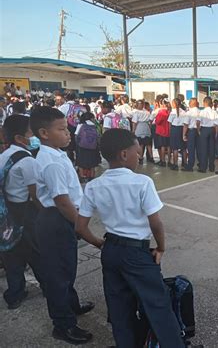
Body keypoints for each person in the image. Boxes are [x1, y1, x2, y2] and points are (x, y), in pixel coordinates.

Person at [75, 129, 185, 348]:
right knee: (158, 305)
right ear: (124, 154)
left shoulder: (94, 186)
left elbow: (80, 227)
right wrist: (161, 247)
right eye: (137, 151)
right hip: (136, 253)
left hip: (111, 251)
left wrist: (101, 244)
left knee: (119, 308)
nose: (140, 155)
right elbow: (155, 223)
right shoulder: (142, 183)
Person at [30, 106, 94, 344]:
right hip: (58, 219)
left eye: (67, 128)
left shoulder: (55, 154)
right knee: (58, 276)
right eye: (62, 129)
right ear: (44, 133)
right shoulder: (52, 162)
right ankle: (63, 325)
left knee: (66, 269)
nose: (68, 133)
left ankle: (72, 306)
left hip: (56, 217)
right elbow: (62, 201)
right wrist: (81, 227)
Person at [0, 115, 43, 310]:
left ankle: (15, 294)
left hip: (8, 210)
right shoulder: (27, 161)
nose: (33, 136)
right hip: (25, 211)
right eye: (30, 133)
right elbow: (35, 195)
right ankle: (48, 285)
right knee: (36, 252)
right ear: (19, 138)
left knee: (12, 254)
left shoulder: (4, 155)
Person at [75, 111, 101, 182]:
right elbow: (99, 136)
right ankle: (92, 176)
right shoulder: (95, 125)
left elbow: (76, 135)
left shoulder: (81, 124)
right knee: (92, 162)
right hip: (93, 146)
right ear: (91, 118)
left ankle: (82, 176)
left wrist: (78, 144)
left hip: (82, 146)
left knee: (80, 161)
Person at [197, 96, 217, 173]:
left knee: (203, 149)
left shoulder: (202, 112)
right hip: (212, 129)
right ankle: (211, 167)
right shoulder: (214, 112)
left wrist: (198, 130)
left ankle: (203, 167)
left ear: (205, 103)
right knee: (212, 149)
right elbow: (216, 124)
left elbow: (198, 122)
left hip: (204, 129)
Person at [131, 100, 153, 165]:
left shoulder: (136, 112)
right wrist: (150, 128)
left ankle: (140, 158)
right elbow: (149, 122)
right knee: (148, 144)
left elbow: (135, 122)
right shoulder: (147, 112)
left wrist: (133, 130)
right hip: (146, 127)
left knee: (141, 144)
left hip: (139, 127)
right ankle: (151, 157)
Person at [168, 98, 186, 171]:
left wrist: (170, 131)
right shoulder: (184, 112)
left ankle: (175, 164)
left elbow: (169, 122)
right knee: (183, 147)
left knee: (175, 148)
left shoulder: (172, 112)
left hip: (174, 129)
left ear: (174, 104)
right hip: (182, 129)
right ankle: (185, 163)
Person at [182, 98, 199, 171]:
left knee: (191, 149)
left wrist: (184, 134)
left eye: (189, 102)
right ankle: (201, 164)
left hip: (191, 131)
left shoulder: (189, 113)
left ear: (191, 103)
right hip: (198, 131)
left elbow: (186, 124)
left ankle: (190, 166)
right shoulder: (200, 112)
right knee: (199, 149)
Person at [154, 99, 171, 167]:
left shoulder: (161, 112)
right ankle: (169, 161)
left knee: (163, 146)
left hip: (162, 131)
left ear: (162, 104)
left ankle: (163, 161)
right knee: (169, 147)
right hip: (169, 131)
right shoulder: (170, 111)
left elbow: (157, 121)